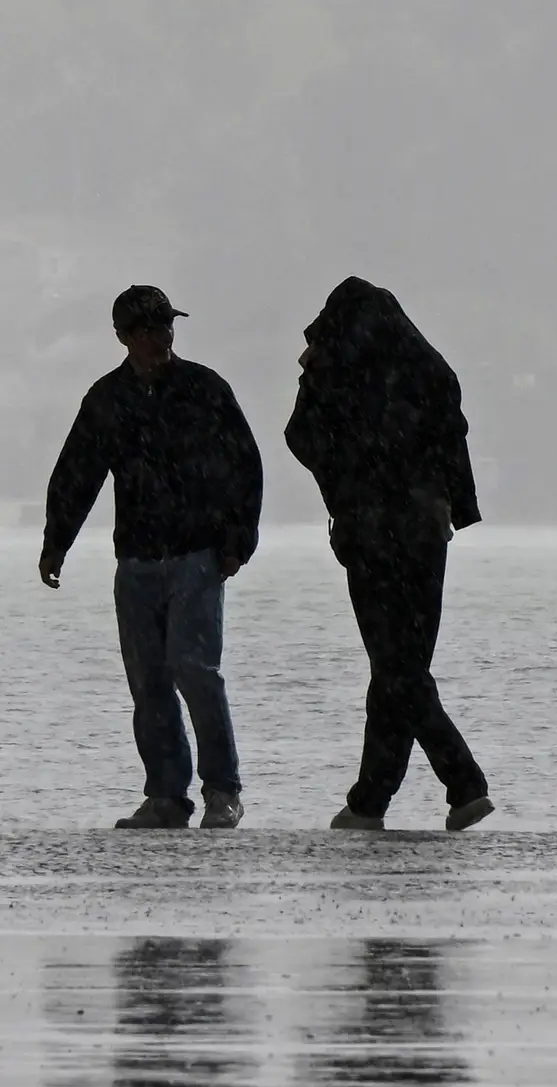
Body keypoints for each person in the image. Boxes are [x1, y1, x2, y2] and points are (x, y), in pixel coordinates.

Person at [40, 286, 263, 830]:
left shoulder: (204, 389)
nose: (160, 337)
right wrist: (56, 542)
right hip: (136, 559)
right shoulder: (108, 398)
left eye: (166, 325)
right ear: (122, 335)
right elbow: (77, 473)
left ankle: (222, 789)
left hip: (197, 554)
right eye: (148, 328)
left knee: (195, 669)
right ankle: (166, 796)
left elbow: (245, 466)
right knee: (149, 680)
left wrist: (237, 542)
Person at [285, 276, 494, 832]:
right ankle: (371, 801)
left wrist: (343, 475)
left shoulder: (333, 369)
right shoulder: (428, 368)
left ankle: (462, 782)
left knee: (395, 667)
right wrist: (455, 503)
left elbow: (299, 435)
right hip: (426, 530)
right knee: (403, 667)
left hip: (369, 531)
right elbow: (454, 439)